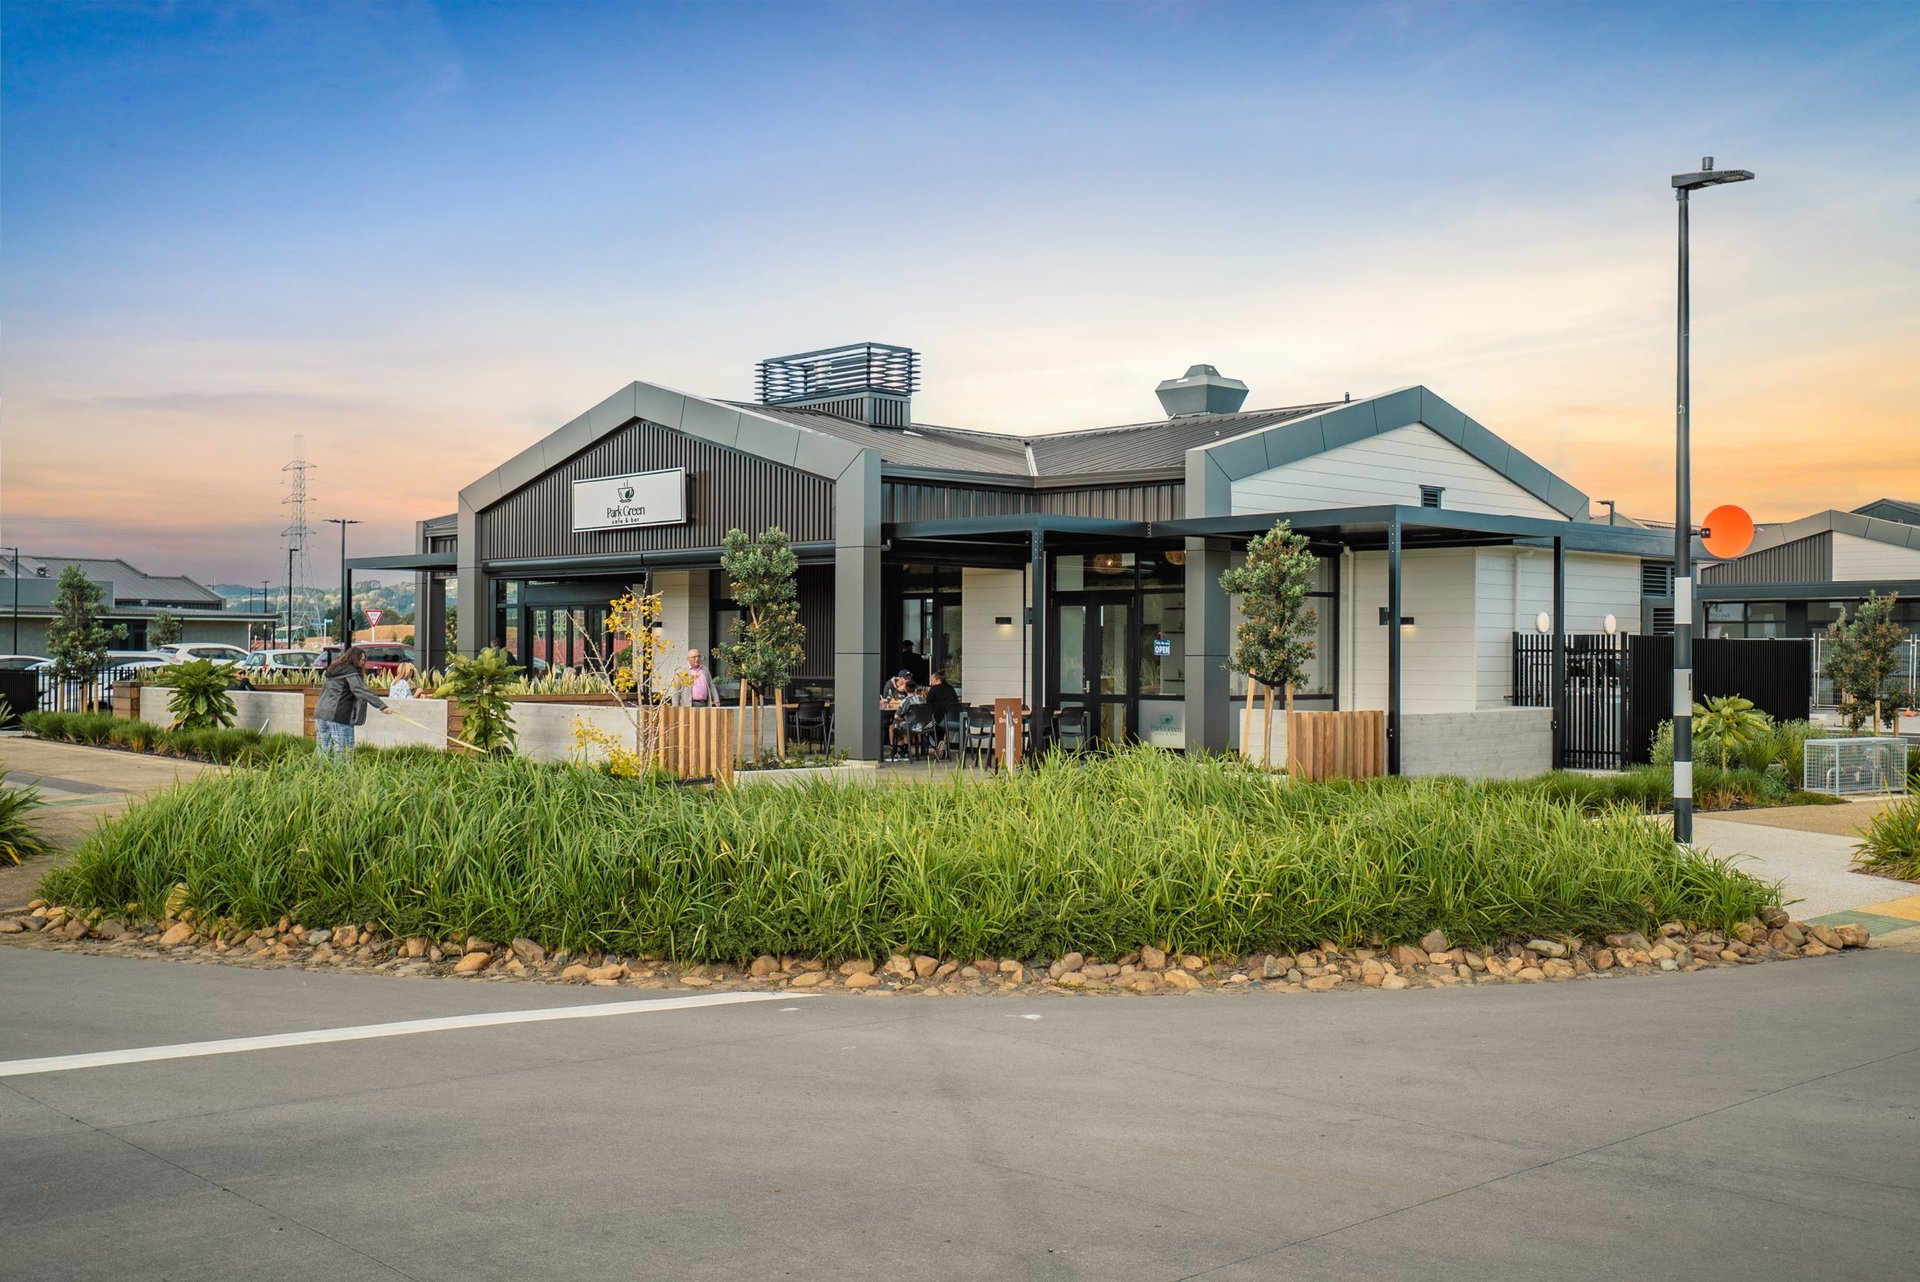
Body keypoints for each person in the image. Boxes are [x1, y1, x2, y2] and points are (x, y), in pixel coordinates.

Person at [314, 644, 392, 759]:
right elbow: (361, 690)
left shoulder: (333, 669)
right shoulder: (350, 671)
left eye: (364, 660)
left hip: (320, 714)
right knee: (344, 752)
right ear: (354, 658)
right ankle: (342, 772)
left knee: (323, 750)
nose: (363, 663)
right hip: (338, 715)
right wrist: (382, 706)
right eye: (361, 659)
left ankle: (320, 771)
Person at [925, 671, 962, 755]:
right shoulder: (951, 688)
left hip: (943, 720)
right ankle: (941, 745)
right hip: (957, 721)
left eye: (932, 680)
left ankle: (938, 746)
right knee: (936, 724)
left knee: (925, 728)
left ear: (938, 680)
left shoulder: (934, 689)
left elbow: (928, 705)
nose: (931, 682)